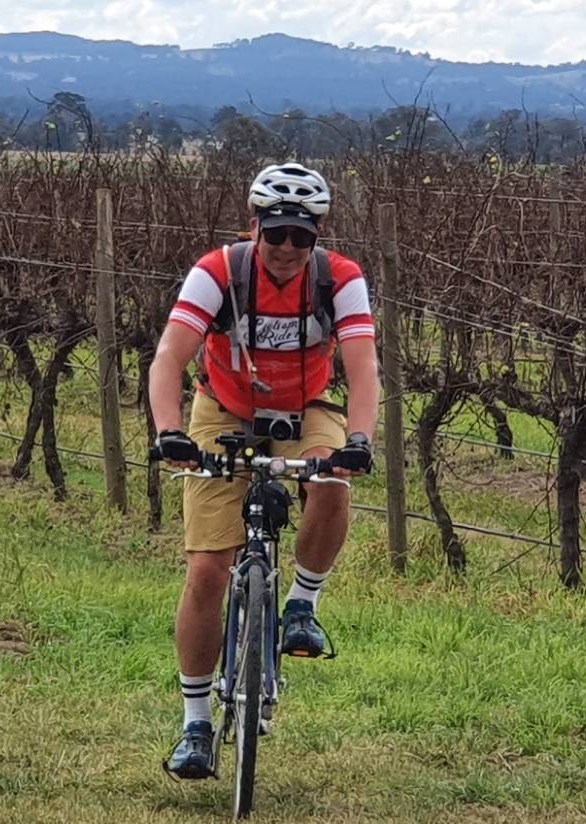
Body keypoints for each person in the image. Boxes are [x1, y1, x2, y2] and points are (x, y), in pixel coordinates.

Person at [148, 162, 379, 778]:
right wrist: (169, 431)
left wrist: (359, 439)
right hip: (223, 407)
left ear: (317, 237)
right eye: (275, 234)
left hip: (308, 407)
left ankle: (302, 604)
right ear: (255, 227)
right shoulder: (218, 272)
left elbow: (362, 370)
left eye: (301, 238)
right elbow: (170, 356)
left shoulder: (340, 280)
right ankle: (197, 722)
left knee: (333, 480)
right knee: (207, 571)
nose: (285, 249)